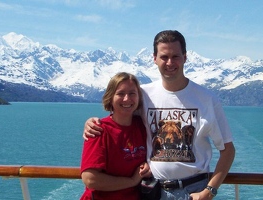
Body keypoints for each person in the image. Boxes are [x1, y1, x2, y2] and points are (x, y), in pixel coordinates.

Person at [83, 30, 235, 200]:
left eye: (175, 56)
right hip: (153, 191)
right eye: (164, 57)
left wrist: (209, 191)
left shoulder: (207, 99)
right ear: (154, 58)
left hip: (193, 191)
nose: (170, 63)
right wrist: (92, 123)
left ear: (185, 57)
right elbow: (121, 116)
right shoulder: (143, 95)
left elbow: (228, 150)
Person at [80, 72, 151, 200]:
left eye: (132, 93)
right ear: (110, 97)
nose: (127, 99)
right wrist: (132, 181)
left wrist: (148, 165)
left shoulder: (142, 126)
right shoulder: (99, 130)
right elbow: (90, 179)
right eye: (120, 94)